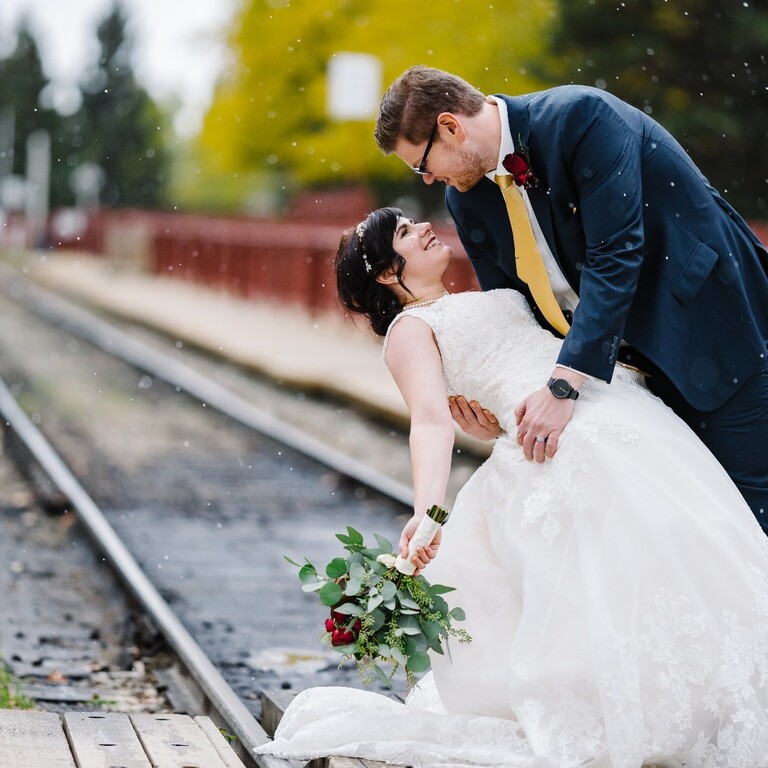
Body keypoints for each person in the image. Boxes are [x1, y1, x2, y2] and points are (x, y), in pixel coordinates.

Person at [256, 208, 768, 767]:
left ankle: (699, 697)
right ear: (385, 273)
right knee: (610, 572)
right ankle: (632, 711)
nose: (423, 227)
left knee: (675, 543)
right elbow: (430, 419)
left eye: (414, 222)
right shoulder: (409, 331)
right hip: (557, 441)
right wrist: (429, 509)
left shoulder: (472, 294)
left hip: (605, 403)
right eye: (404, 232)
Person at [374, 65, 768, 529]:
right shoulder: (465, 199)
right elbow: (513, 312)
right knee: (681, 525)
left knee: (750, 520)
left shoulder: (582, 117)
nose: (426, 179)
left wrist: (563, 384)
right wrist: (501, 406)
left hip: (711, 336)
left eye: (422, 165)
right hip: (621, 379)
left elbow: (616, 255)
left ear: (450, 127)